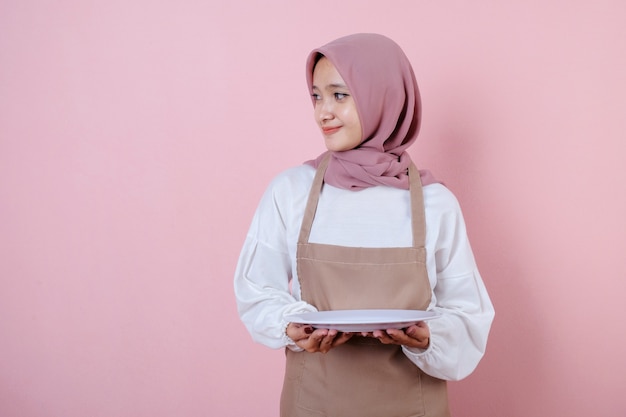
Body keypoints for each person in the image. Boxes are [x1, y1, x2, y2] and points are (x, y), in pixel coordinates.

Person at [234, 33, 494, 417]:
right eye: (316, 96)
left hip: (412, 404)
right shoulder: (291, 190)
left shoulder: (437, 203)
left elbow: (468, 313)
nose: (323, 112)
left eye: (340, 95)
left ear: (384, 97)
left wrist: (428, 338)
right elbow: (255, 289)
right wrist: (289, 326)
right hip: (314, 402)